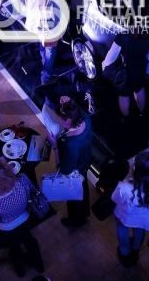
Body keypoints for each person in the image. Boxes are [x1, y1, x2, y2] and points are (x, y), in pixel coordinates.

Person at [0, 158, 44, 277]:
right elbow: (33, 192)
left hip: (7, 230)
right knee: (30, 241)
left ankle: (20, 271)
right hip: (25, 218)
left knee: (14, 249)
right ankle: (39, 264)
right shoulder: (23, 181)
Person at [112, 151, 149, 266]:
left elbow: (115, 198)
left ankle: (124, 252)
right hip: (144, 220)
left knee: (122, 229)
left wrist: (128, 177)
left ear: (136, 170)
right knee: (140, 231)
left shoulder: (124, 188)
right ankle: (136, 249)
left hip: (125, 217)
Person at [53, 97, 93, 228]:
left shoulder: (71, 145)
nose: (58, 121)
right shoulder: (86, 118)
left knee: (73, 197)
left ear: (69, 121)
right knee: (83, 189)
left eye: (60, 119)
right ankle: (85, 213)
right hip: (85, 162)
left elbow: (64, 169)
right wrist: (69, 102)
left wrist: (55, 146)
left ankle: (75, 220)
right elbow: (76, 110)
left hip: (74, 173)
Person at [102, 26, 149, 118]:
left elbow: (111, 56)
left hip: (125, 70)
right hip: (140, 68)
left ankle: (127, 118)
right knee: (139, 89)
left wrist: (104, 65)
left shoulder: (124, 35)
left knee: (124, 94)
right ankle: (142, 113)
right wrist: (148, 71)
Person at [23, 0, 59, 84]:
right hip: (43, 27)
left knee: (43, 45)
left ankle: (43, 60)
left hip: (32, 24)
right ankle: (46, 77)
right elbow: (48, 15)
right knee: (51, 51)